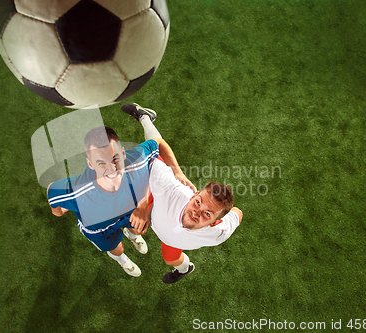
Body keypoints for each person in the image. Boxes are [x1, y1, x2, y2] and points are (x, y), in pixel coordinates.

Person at [47, 103, 195, 277]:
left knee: (138, 229)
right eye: (101, 162)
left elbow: (158, 144)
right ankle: (122, 260)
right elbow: (52, 191)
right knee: (117, 248)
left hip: (129, 212)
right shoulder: (77, 191)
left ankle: (133, 237)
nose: (112, 169)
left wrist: (176, 172)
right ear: (90, 164)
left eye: (115, 158)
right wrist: (59, 211)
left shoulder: (137, 160)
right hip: (100, 228)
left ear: (123, 153)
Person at [146, 158, 244, 284]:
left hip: (173, 242)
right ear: (194, 195)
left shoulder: (219, 233)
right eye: (198, 202)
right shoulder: (174, 191)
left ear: (215, 222)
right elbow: (153, 148)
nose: (195, 213)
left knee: (170, 260)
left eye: (207, 213)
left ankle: (184, 269)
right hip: (153, 208)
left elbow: (238, 213)